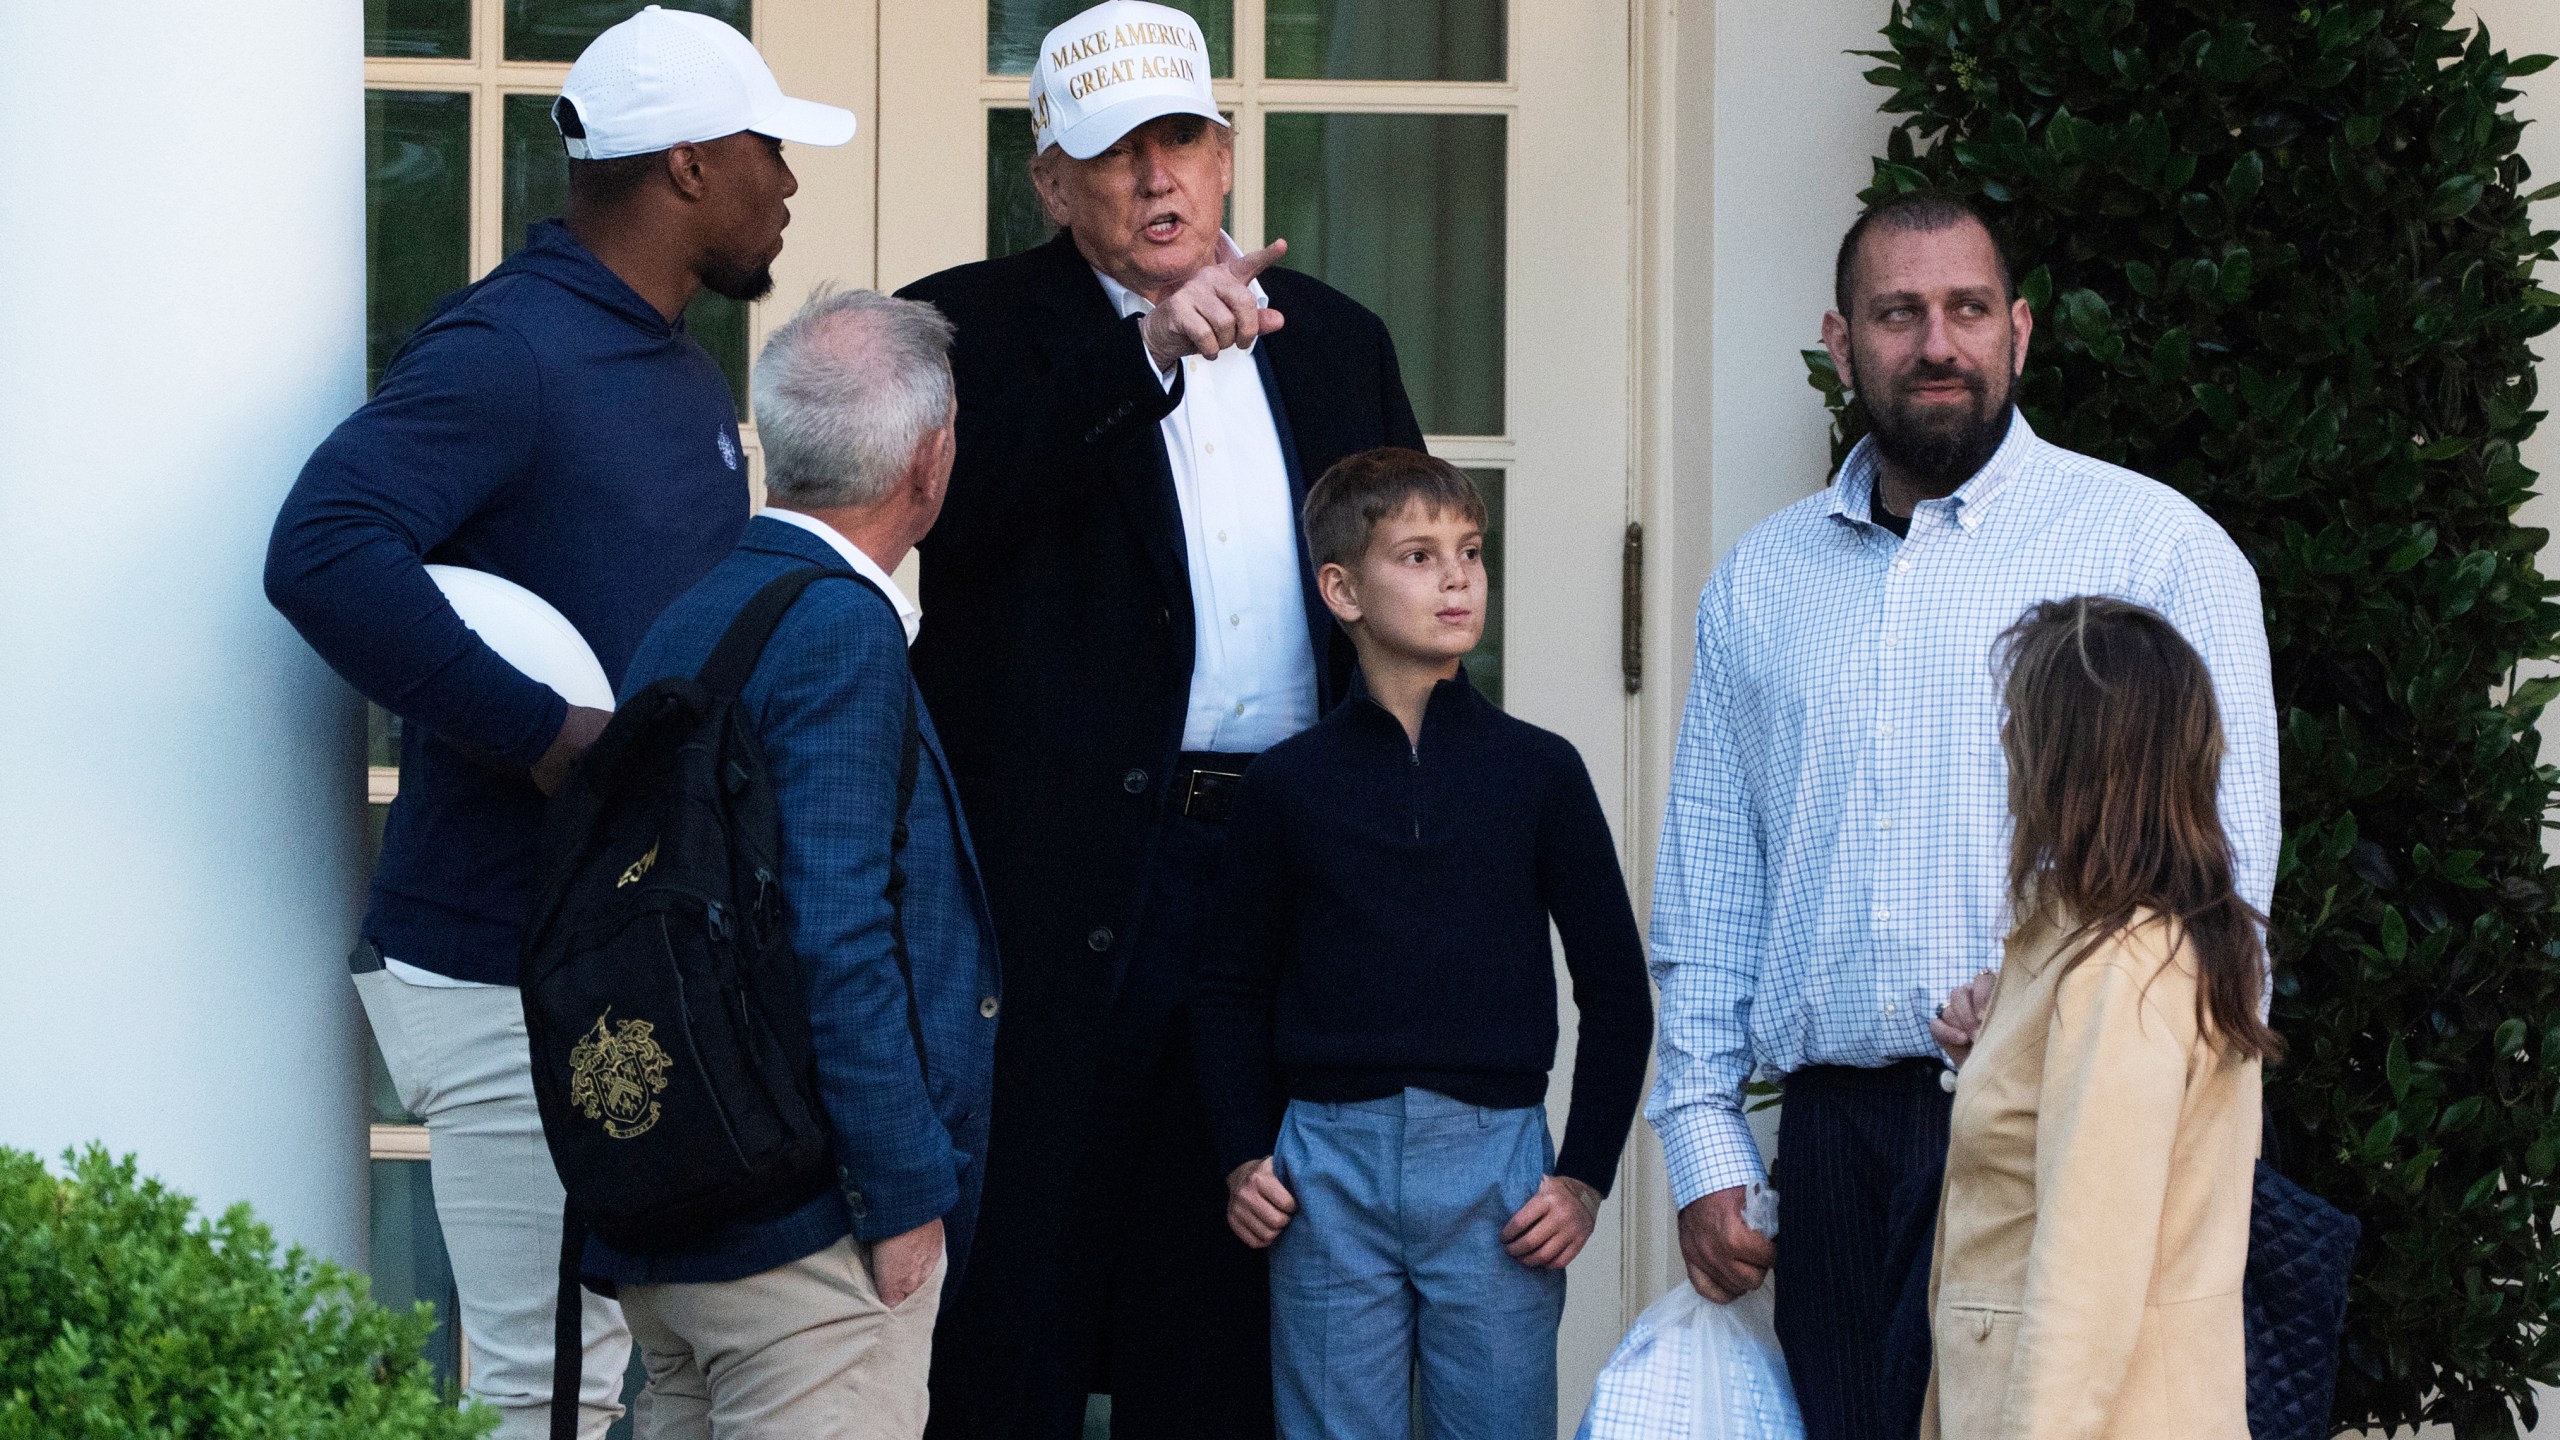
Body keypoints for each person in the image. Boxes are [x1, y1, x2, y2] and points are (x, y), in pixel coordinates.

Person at [263, 10, 854, 1434]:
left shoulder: (668, 357)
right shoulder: (513, 349)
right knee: (548, 1392)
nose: (789, 180)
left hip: (621, 952)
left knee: (637, 1372)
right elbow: (322, 548)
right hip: (503, 963)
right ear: (692, 164)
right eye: (769, 149)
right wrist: (543, 735)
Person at [1644, 188, 2279, 1440]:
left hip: (2064, 1126)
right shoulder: (1760, 582)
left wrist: (2067, 1018)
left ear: (2019, 330)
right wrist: (1704, 1140)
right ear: (1841, 342)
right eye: (1898, 314)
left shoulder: (2155, 548)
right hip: (1833, 1147)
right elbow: (1711, 888)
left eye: (1967, 310)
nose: (1937, 344)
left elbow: (2231, 881)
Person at [893, 3, 1425, 1434]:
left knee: (1225, 1299)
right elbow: (960, 511)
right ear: (1049, 180)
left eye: (1180, 138)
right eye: (1114, 152)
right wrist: (1141, 357)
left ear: (1228, 155)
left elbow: (1409, 590)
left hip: (1277, 866)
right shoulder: (960, 327)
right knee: (1022, 1295)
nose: (1155, 176)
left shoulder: (1339, 343)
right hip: (1057, 884)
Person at [595, 288, 1000, 1440]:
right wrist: (903, 1194)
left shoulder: (697, 610)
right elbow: (835, 930)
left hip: (685, 1212)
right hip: (809, 1252)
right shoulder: (837, 626)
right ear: (929, 459)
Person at [1193, 449, 1654, 1440]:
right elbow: (1227, 986)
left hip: (1496, 1173)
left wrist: (1583, 1176)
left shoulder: (1540, 772)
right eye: (1418, 555)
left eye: (1471, 552)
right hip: (1323, 1170)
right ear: (1342, 591)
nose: (1458, 578)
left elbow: (1617, 989)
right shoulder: (1286, 784)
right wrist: (1241, 1156)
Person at [1920, 597, 2273, 1440]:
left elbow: (2089, 1281)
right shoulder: (2111, 939)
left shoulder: (2125, 964)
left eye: (2026, 720)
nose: (2008, 739)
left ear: (2074, 758)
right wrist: (1995, 1054)